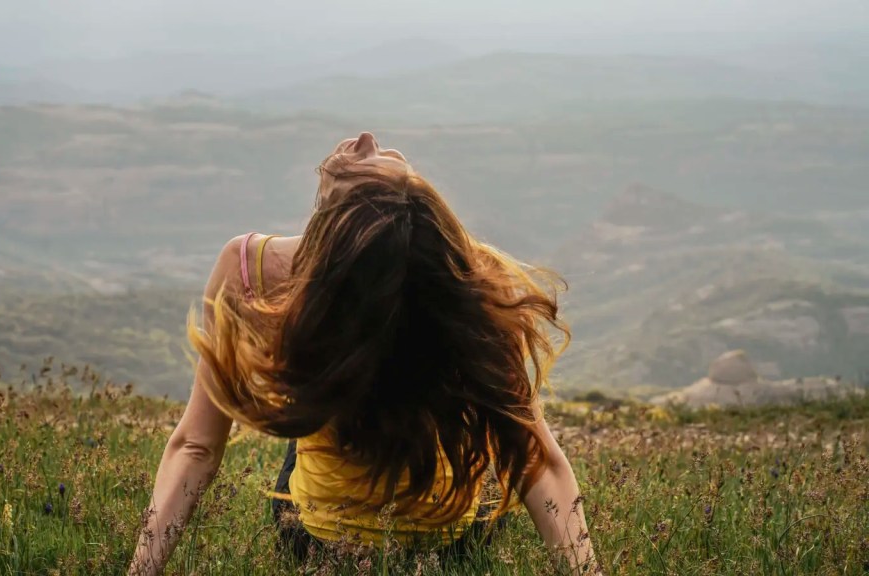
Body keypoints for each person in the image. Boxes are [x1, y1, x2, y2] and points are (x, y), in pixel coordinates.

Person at [129, 132, 598, 575]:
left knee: (323, 392)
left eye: (376, 172)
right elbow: (539, 461)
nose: (367, 139)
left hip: (315, 542)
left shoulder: (251, 270)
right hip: (455, 544)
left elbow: (196, 446)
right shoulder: (470, 281)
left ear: (341, 226)